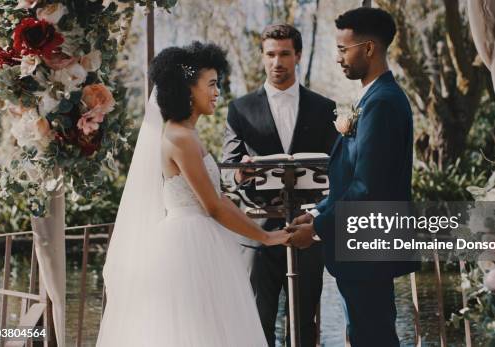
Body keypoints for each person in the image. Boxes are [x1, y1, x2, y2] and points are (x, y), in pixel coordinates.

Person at [96, 42, 290, 347]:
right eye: (212, 84)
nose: (217, 93)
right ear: (188, 88)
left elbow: (219, 199)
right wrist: (266, 237)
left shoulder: (187, 133)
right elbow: (213, 206)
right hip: (188, 246)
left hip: (201, 238)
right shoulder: (180, 137)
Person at [288, 8, 419, 347]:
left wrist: (316, 230)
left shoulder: (384, 103)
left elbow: (368, 188)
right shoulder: (374, 99)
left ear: (370, 48)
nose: (338, 58)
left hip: (368, 250)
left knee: (373, 338)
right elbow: (351, 180)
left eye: (344, 49)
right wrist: (318, 211)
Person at [221, 24, 337, 347]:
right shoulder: (239, 109)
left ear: (297, 55)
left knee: (304, 327)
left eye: (285, 54)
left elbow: (338, 166)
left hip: (308, 230)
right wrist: (239, 174)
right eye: (270, 54)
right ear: (262, 57)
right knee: (258, 325)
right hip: (257, 231)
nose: (277, 62)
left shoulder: (324, 108)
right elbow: (227, 168)